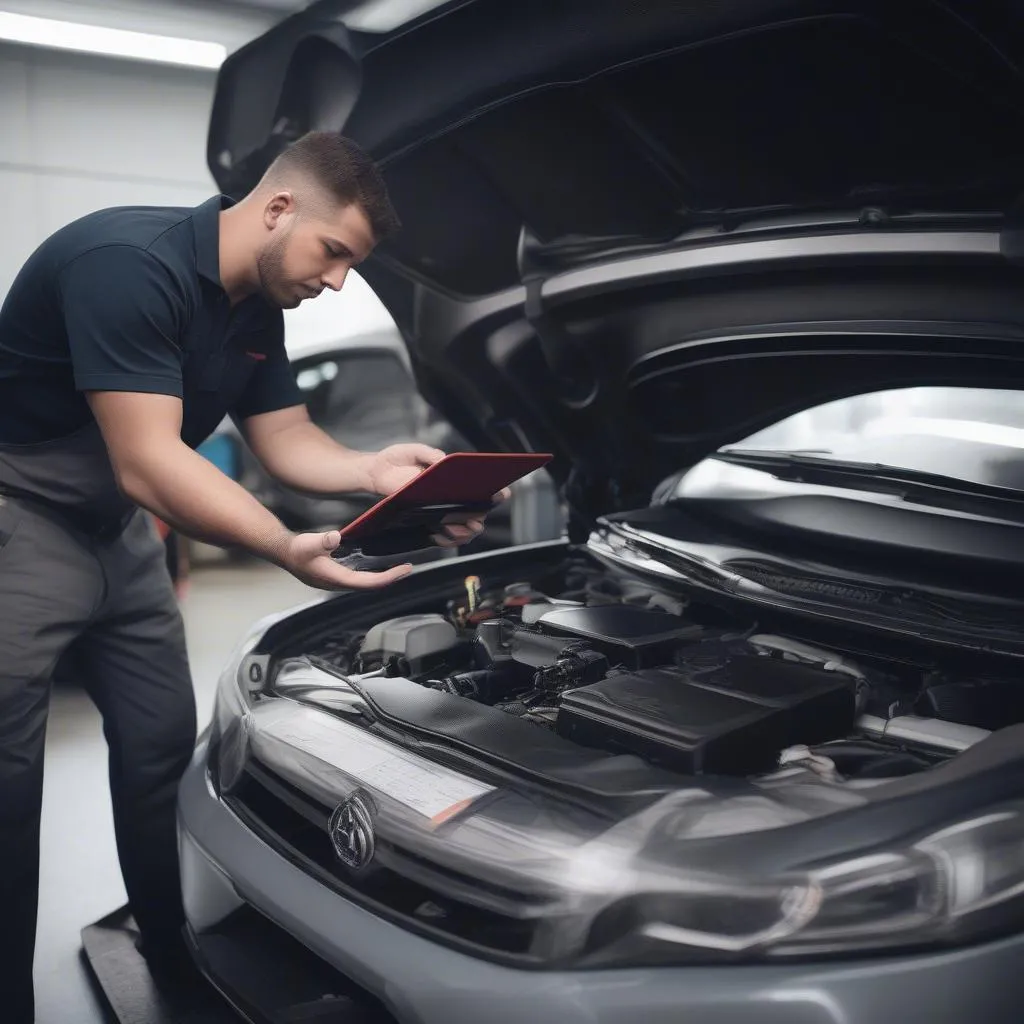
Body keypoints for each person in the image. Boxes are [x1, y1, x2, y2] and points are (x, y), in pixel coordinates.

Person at [0, 131, 501, 1021]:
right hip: (17, 521)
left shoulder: (255, 308)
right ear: (277, 210)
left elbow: (286, 441)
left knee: (160, 747)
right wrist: (283, 544)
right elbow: (150, 463)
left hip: (116, 536)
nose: (338, 279)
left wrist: (375, 471)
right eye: (334, 252)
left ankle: (170, 950)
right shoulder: (127, 265)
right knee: (9, 783)